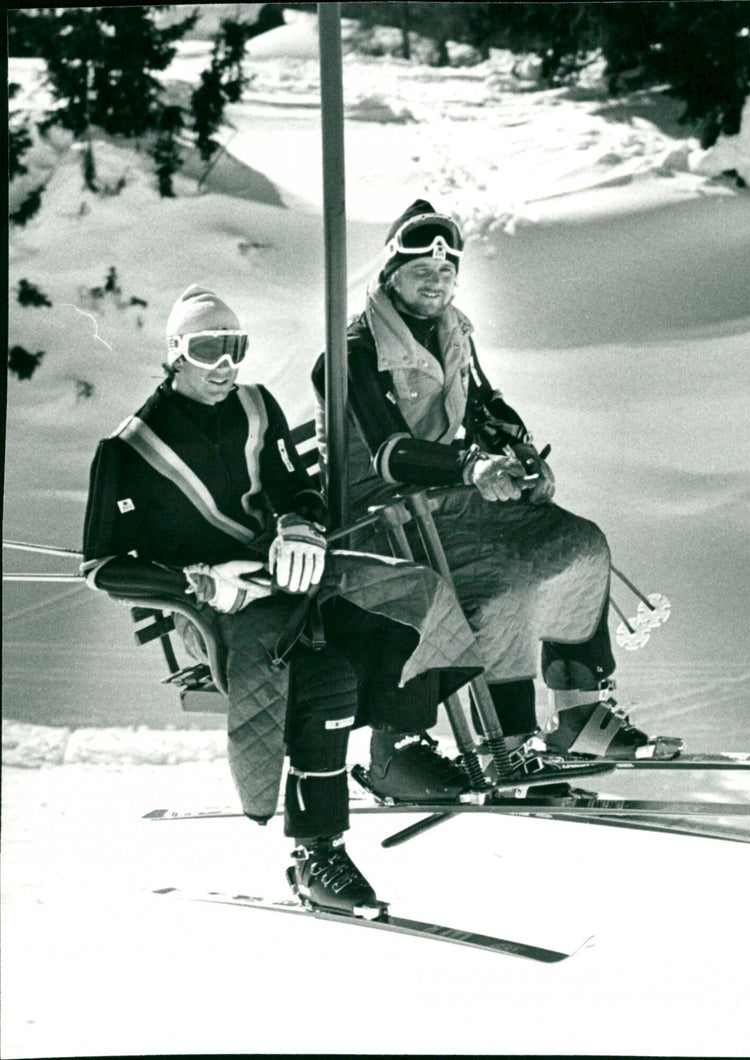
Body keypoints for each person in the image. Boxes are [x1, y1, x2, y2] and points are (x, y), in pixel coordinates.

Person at [81, 285, 483, 917]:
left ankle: (399, 750)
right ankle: (316, 852)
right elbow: (102, 567)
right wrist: (197, 580)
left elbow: (296, 488)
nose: (224, 366)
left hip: (287, 574)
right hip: (215, 607)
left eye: (234, 349)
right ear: (175, 353)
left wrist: (299, 524)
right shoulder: (127, 449)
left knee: (411, 596)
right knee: (323, 678)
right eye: (207, 349)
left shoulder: (255, 406)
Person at [311, 200, 683, 769]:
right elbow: (389, 453)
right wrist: (470, 468)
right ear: (391, 277)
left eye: (445, 272)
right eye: (420, 272)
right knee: (503, 581)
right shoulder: (353, 354)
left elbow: (484, 403)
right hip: (382, 517)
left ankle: (580, 715)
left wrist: (519, 452)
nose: (436, 283)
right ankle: (508, 739)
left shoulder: (453, 331)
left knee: (579, 545)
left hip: (446, 502)